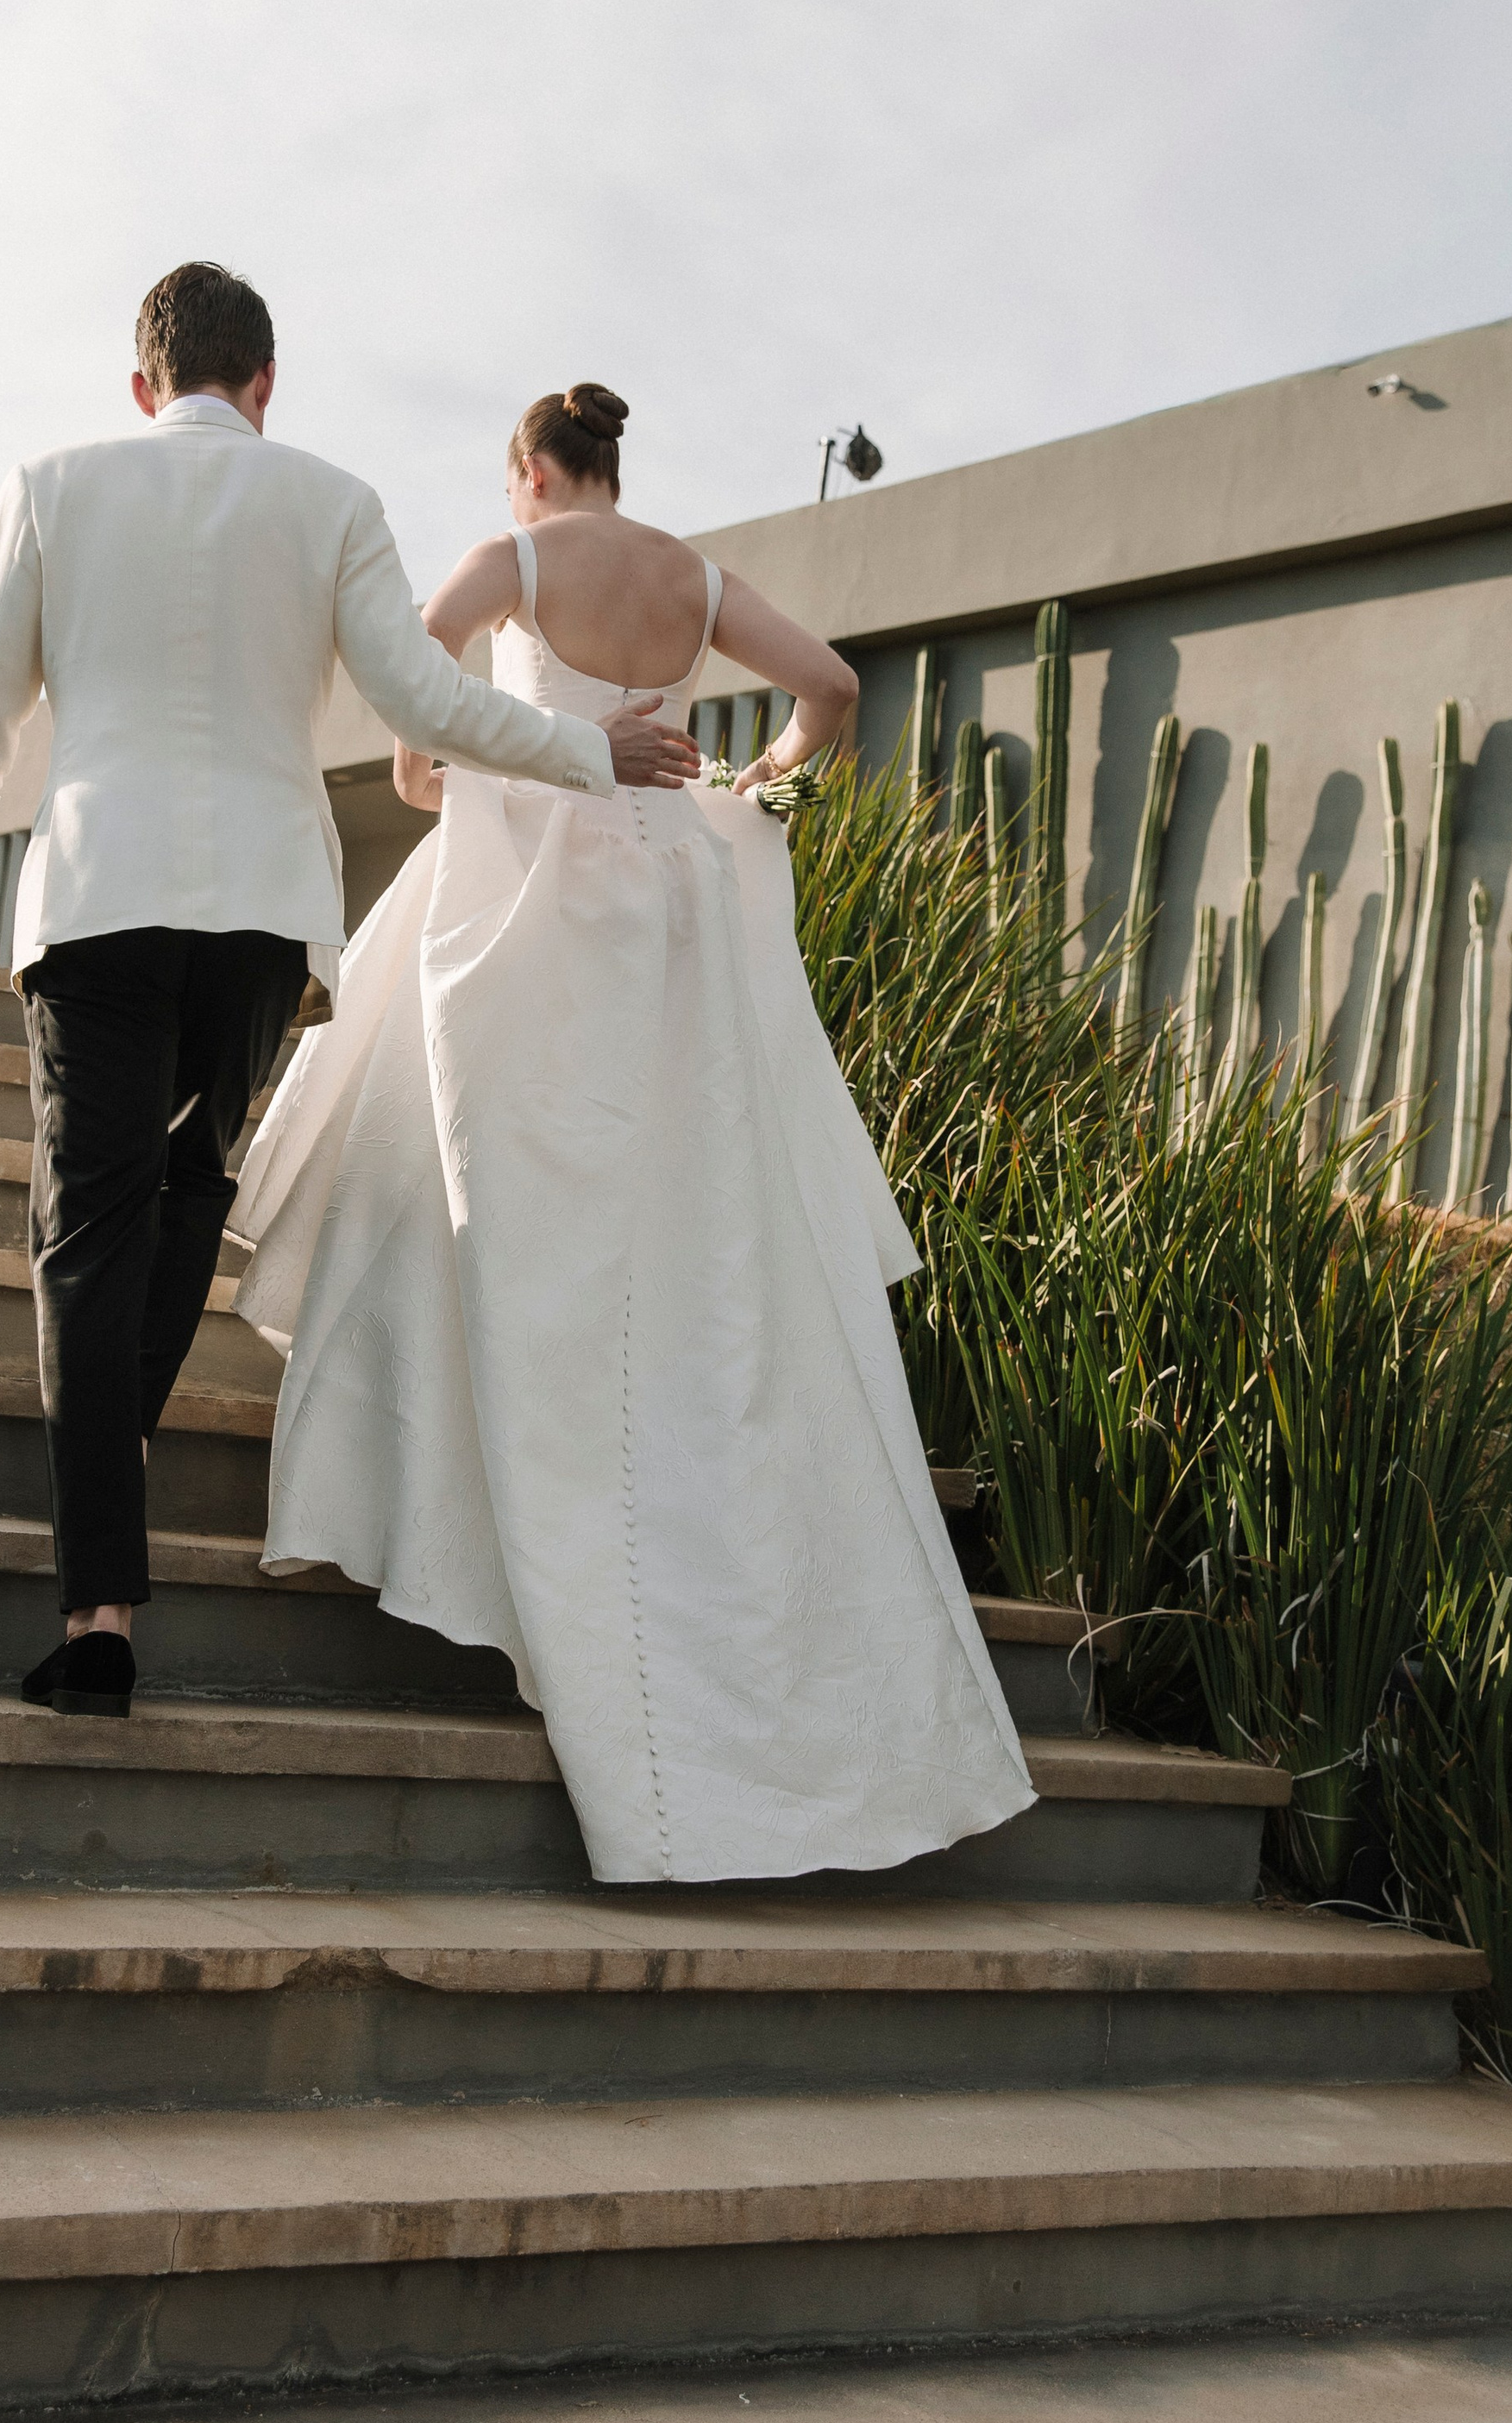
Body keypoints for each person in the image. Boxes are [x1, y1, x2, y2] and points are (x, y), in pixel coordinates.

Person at [234, 383, 1035, 1882]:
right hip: (672, 898)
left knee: (502, 1183)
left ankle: (478, 1494)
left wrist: (435, 772)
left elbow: (402, 670)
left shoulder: (520, 559)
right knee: (678, 1214)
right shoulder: (693, 577)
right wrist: (756, 786)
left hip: (530, 883)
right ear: (617, 465)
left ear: (536, 471)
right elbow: (838, 690)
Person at [0, 275, 700, 1718]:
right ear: (267, 381)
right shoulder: (332, 500)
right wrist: (593, 757)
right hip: (265, 922)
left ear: (145, 387)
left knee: (88, 1238)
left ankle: (100, 1617)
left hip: (98, 906)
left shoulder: (52, 488)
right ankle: (113, 1479)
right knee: (188, 1195)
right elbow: (427, 703)